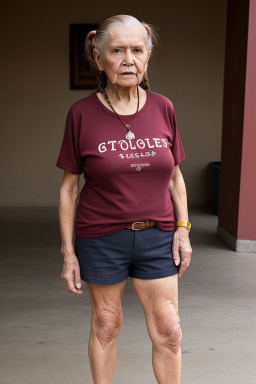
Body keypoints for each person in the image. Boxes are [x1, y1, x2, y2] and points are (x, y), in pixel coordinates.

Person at [56, 14, 192, 384]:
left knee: (170, 330)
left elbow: (175, 177)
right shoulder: (81, 114)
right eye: (117, 51)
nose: (128, 59)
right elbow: (70, 187)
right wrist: (69, 254)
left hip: (157, 235)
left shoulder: (164, 107)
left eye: (137, 50)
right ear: (100, 60)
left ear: (147, 57)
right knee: (106, 325)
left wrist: (183, 229)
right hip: (100, 237)